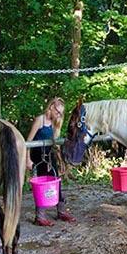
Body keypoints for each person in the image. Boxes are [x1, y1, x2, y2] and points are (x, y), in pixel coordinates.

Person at [26, 97, 76, 226]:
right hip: (38, 155)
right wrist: (27, 159)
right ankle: (40, 216)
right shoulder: (40, 120)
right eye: (58, 112)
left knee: (56, 180)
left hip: (49, 154)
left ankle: (61, 211)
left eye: (61, 113)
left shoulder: (55, 123)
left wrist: (61, 159)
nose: (59, 115)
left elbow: (55, 143)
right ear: (51, 107)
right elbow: (28, 142)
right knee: (43, 184)